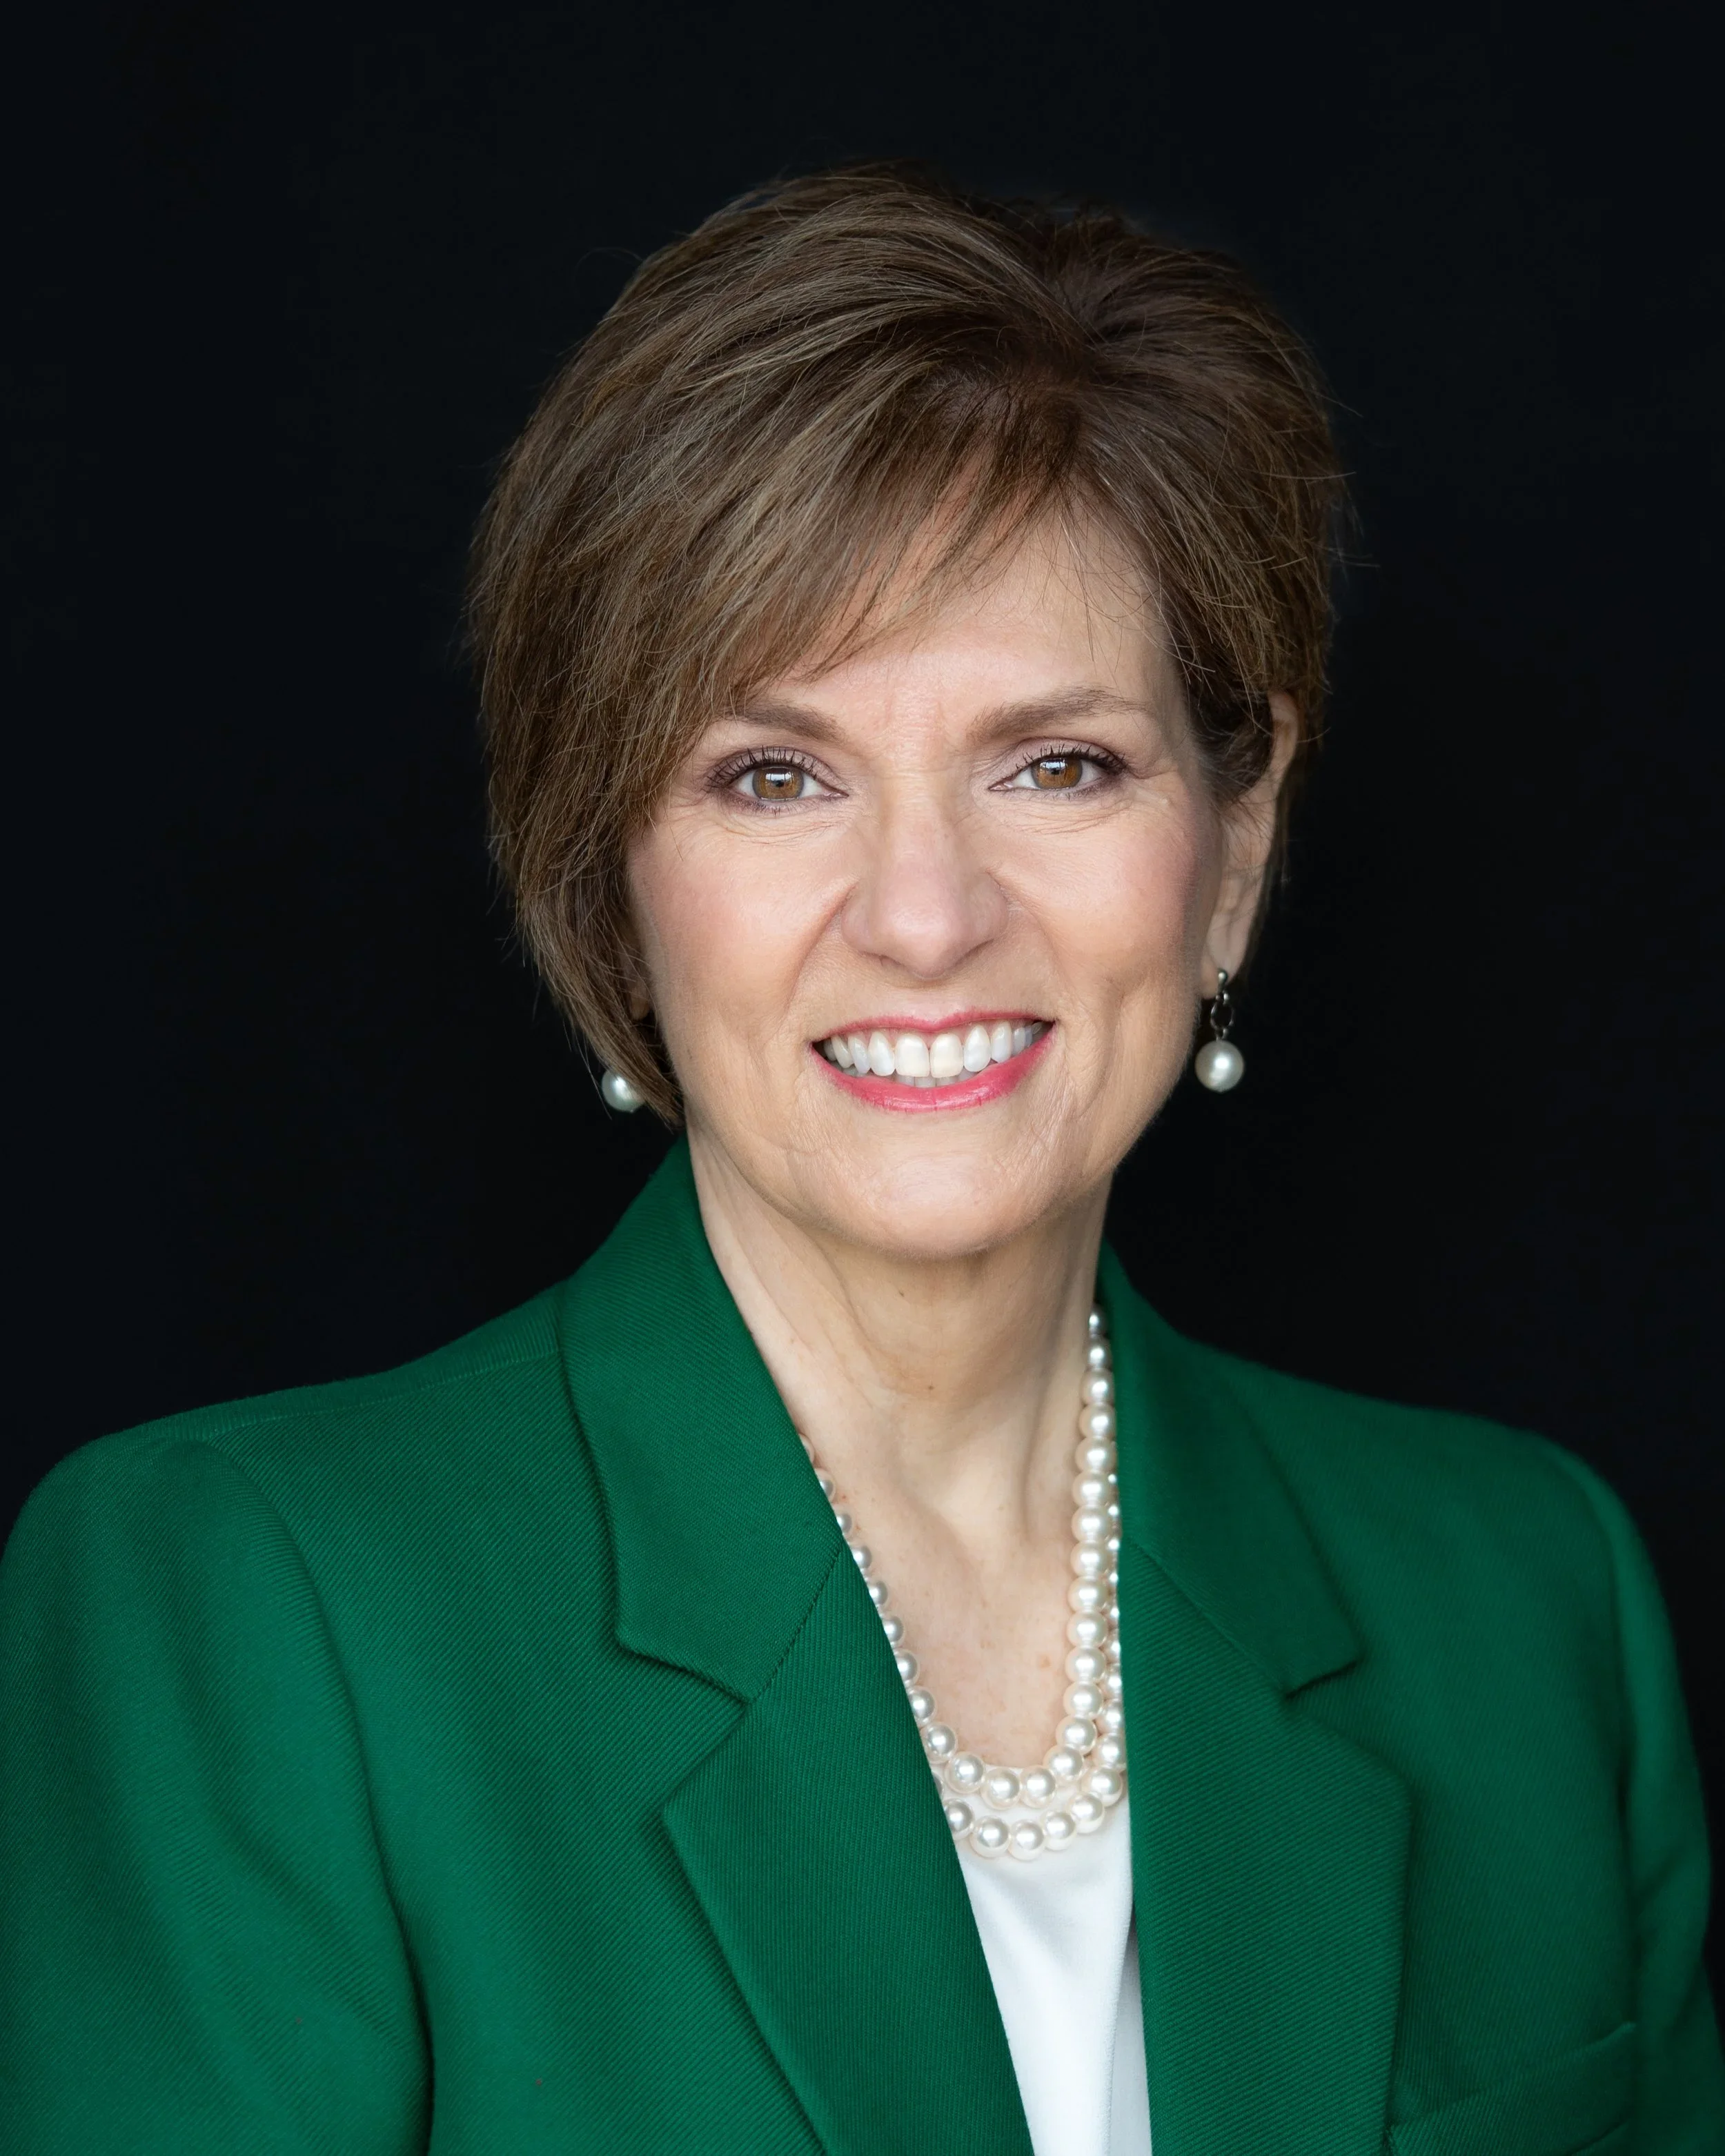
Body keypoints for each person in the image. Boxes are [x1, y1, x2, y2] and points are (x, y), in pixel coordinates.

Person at [1, 163, 1719, 2156]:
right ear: (612, 883)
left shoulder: (1523, 1597)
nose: (922, 911)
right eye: (773, 774)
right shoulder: (249, 1604)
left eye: (1054, 761)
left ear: (1231, 853)